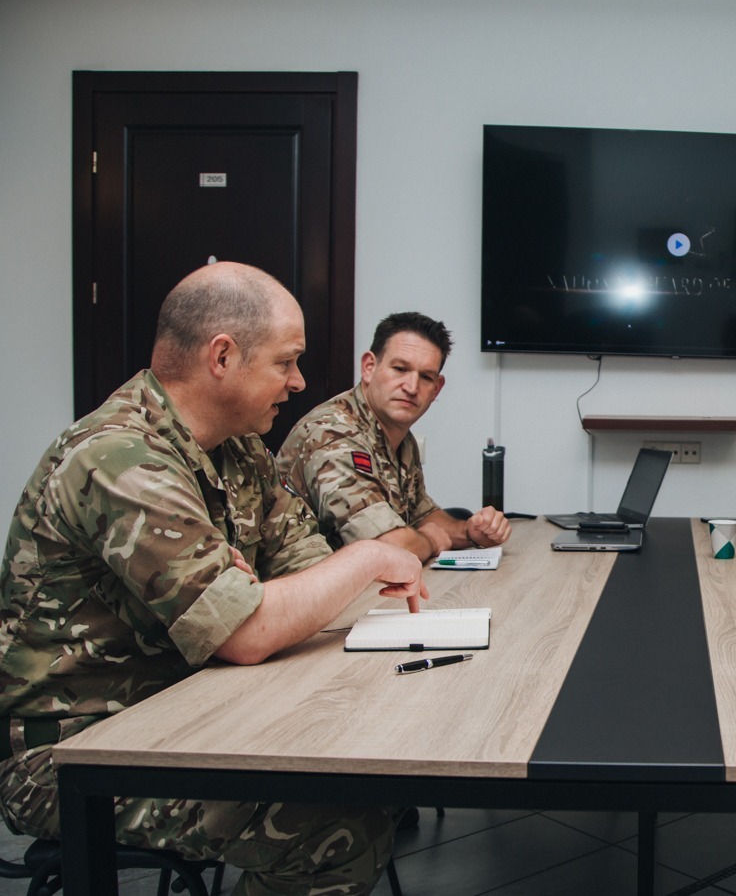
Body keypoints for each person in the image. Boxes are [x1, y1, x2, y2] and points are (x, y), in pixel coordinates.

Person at [0, 262, 428, 894]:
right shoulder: (119, 456)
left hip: (191, 707)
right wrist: (364, 560)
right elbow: (248, 629)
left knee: (367, 783)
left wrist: (284, 593)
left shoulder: (239, 450)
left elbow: (308, 570)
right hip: (80, 752)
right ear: (223, 356)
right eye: (287, 362)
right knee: (334, 825)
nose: (299, 381)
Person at [278, 312, 510, 563]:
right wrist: (430, 541)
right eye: (400, 369)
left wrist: (471, 532)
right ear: (369, 367)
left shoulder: (399, 437)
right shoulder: (332, 433)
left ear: (436, 389)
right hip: (307, 594)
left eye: (426, 377)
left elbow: (423, 517)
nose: (411, 387)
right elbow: (385, 547)